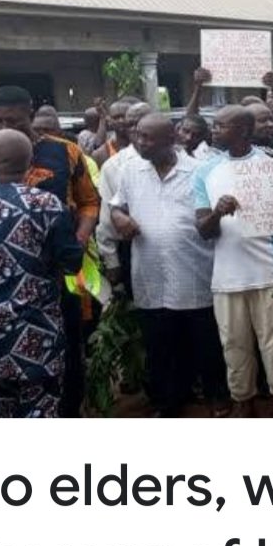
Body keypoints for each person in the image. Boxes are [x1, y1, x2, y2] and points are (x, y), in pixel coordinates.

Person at [0, 85, 100, 417]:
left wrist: (80, 238)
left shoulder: (66, 152)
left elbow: (88, 202)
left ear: (30, 113)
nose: (4, 127)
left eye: (12, 120)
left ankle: (70, 412)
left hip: (62, 270)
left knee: (70, 340)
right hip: (0, 281)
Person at [109, 114, 230, 418]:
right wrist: (119, 218)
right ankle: (167, 403)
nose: (140, 142)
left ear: (171, 139)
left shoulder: (199, 171)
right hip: (150, 274)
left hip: (193, 272)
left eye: (148, 137)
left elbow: (213, 220)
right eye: (138, 135)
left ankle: (217, 396)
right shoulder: (130, 170)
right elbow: (116, 205)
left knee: (205, 341)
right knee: (160, 345)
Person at [195, 105, 273, 418]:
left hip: (268, 271)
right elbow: (203, 231)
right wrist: (217, 213)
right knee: (234, 345)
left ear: (243, 130)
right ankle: (243, 401)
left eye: (221, 126)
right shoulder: (205, 172)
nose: (214, 130)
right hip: (227, 277)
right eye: (214, 125)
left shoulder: (269, 165)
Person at [96, 102, 152, 286]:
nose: (136, 129)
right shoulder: (114, 166)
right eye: (131, 124)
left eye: (141, 122)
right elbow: (107, 218)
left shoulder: (185, 161)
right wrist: (111, 260)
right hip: (135, 247)